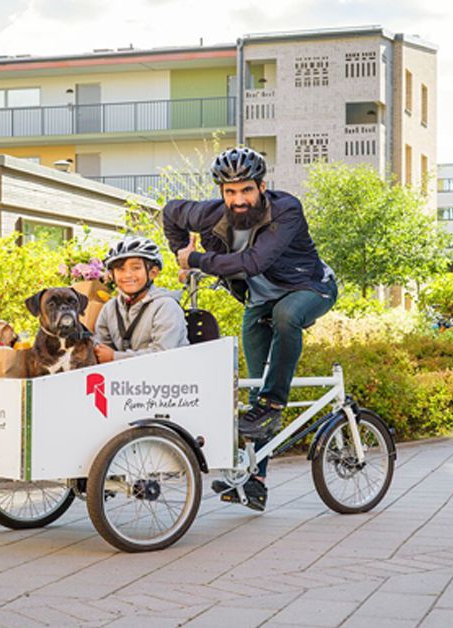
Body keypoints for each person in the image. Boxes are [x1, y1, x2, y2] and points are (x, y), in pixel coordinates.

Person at [163, 146, 337, 512]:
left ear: (261, 186)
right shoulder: (208, 214)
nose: (238, 200)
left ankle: (277, 401)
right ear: (221, 192)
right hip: (259, 303)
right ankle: (255, 480)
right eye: (230, 192)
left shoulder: (286, 209)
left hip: (308, 288)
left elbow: (254, 261)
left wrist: (195, 259)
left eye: (246, 190)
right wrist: (180, 251)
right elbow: (170, 213)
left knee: (287, 318)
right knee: (254, 395)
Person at [93, 236, 189, 363]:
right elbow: (102, 349)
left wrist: (114, 357)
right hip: (126, 380)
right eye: (120, 269)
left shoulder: (166, 306)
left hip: (169, 377)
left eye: (136, 268)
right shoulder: (109, 309)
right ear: (112, 274)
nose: (127, 275)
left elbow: (163, 354)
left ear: (153, 272)